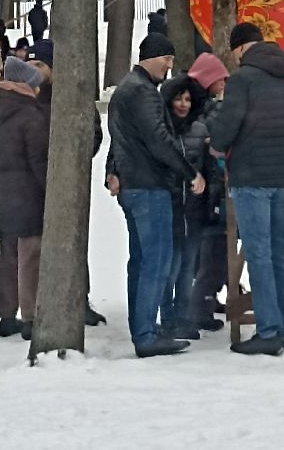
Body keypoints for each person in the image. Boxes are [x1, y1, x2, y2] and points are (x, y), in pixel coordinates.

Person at [209, 22, 284, 356]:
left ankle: (268, 331)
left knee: (259, 254)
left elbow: (228, 126)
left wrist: (216, 146)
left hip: (251, 176)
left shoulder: (242, 81)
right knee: (281, 252)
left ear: (239, 48)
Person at [106, 33, 199, 358]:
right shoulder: (144, 92)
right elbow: (158, 140)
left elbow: (120, 138)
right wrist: (190, 172)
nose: (170, 66)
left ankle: (142, 327)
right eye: (166, 58)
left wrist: (113, 170)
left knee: (140, 261)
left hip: (132, 186)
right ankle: (146, 334)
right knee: (156, 261)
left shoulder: (124, 90)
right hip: (150, 187)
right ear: (151, 57)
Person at [31, 39, 107, 328]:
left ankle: (78, 299)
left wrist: (73, 160)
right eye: (32, 64)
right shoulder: (27, 95)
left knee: (72, 242)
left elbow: (94, 133)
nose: (35, 70)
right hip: (34, 181)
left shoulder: (74, 94)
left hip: (67, 183)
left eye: (40, 64)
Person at [0, 56, 47, 340]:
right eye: (35, 85)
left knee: (8, 256)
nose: (38, 90)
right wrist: (50, 190)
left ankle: (7, 314)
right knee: (30, 256)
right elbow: (39, 161)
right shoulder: (30, 116)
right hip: (28, 196)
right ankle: (30, 317)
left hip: (3, 195)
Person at [156, 74, 212, 340]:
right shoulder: (160, 131)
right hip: (169, 207)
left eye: (188, 99)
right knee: (170, 267)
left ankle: (183, 315)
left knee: (188, 267)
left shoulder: (200, 130)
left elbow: (208, 168)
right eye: (178, 99)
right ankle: (167, 317)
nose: (183, 104)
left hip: (194, 209)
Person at [186, 52, 230, 331]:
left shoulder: (190, 107)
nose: (224, 83)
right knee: (215, 248)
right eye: (220, 78)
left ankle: (207, 298)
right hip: (213, 190)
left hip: (201, 191)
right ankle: (200, 306)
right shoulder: (211, 112)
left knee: (209, 248)